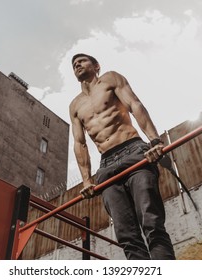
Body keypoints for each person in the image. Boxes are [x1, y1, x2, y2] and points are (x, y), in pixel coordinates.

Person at [69, 53, 175, 260]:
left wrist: (154, 141)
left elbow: (135, 105)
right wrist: (86, 180)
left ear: (96, 65)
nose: (77, 65)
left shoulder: (110, 79)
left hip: (133, 150)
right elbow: (79, 142)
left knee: (151, 223)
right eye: (74, 64)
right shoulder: (75, 105)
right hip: (106, 165)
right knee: (126, 235)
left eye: (82, 60)